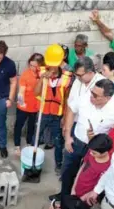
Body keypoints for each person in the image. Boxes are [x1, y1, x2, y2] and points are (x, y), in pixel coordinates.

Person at [56, 71, 114, 200]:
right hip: (76, 141)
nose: (91, 97)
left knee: (87, 177)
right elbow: (71, 108)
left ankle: (78, 201)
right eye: (92, 92)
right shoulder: (87, 96)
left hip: (96, 150)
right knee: (67, 170)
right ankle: (63, 196)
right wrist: (67, 135)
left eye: (96, 95)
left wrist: (98, 141)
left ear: (107, 98)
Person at [33, 44, 73, 175]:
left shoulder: (67, 75)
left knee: (58, 141)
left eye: (55, 63)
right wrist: (42, 79)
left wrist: (65, 117)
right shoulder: (42, 72)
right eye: (50, 63)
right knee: (36, 138)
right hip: (43, 112)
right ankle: (32, 161)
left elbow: (67, 99)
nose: (52, 67)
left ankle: (58, 165)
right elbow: (36, 93)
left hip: (58, 114)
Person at [14, 53, 44, 155]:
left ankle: (28, 144)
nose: (33, 68)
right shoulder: (25, 74)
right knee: (19, 126)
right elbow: (21, 90)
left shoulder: (43, 74)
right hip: (24, 106)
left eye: (35, 66)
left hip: (35, 107)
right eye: (31, 65)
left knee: (31, 126)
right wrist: (21, 102)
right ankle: (17, 146)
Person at [71, 134, 112, 199]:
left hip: (88, 196)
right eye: (90, 151)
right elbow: (82, 167)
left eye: (94, 153)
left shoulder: (108, 167)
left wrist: (85, 197)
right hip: (78, 187)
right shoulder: (92, 152)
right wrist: (74, 187)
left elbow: (100, 186)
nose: (90, 153)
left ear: (105, 152)